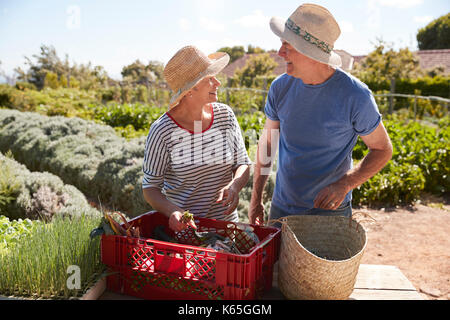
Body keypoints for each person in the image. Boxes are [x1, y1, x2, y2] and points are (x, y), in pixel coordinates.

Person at [249, 3, 393, 224]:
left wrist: (345, 184)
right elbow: (267, 144)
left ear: (310, 52)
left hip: (330, 214)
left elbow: (382, 149)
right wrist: (256, 199)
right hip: (282, 209)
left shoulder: (355, 95)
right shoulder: (280, 88)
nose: (279, 53)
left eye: (287, 45)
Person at [142, 45, 252, 232]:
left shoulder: (225, 116)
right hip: (188, 233)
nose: (217, 83)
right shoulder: (162, 131)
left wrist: (234, 186)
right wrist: (174, 211)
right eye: (210, 78)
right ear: (190, 89)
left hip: (226, 228)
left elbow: (242, 163)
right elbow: (150, 188)